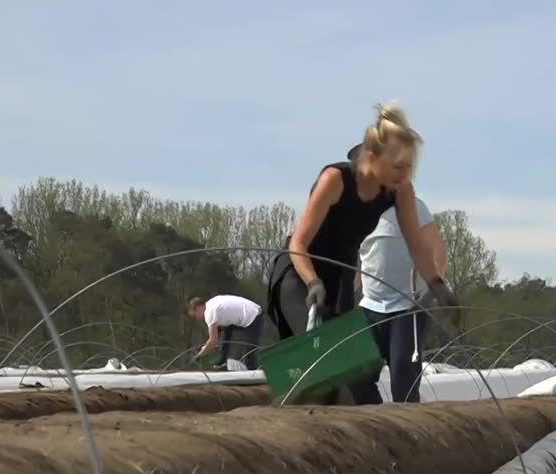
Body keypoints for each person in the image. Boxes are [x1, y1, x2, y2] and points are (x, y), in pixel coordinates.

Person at [264, 101, 457, 403]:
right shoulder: (335, 180)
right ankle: (280, 421)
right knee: (326, 361)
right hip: (300, 273)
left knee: (354, 375)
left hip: (338, 277)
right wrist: (313, 283)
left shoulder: (400, 190)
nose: (404, 174)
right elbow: (298, 244)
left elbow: (417, 244)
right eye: (398, 166)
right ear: (372, 155)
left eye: (410, 167)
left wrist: (437, 284)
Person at [358, 192, 448, 402]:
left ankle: (407, 428)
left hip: (408, 307)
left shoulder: (415, 208)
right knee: (358, 377)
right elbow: (360, 258)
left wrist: (429, 294)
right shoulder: (360, 211)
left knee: (402, 375)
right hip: (370, 306)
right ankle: (375, 424)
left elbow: (438, 253)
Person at [187, 294, 265, 371]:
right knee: (226, 329)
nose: (197, 319)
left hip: (253, 316)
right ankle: (222, 359)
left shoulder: (209, 313)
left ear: (197, 308)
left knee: (250, 353)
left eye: (195, 316)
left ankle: (252, 372)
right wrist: (208, 345)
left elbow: (213, 340)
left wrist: (199, 356)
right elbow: (220, 329)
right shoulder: (211, 302)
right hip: (252, 311)